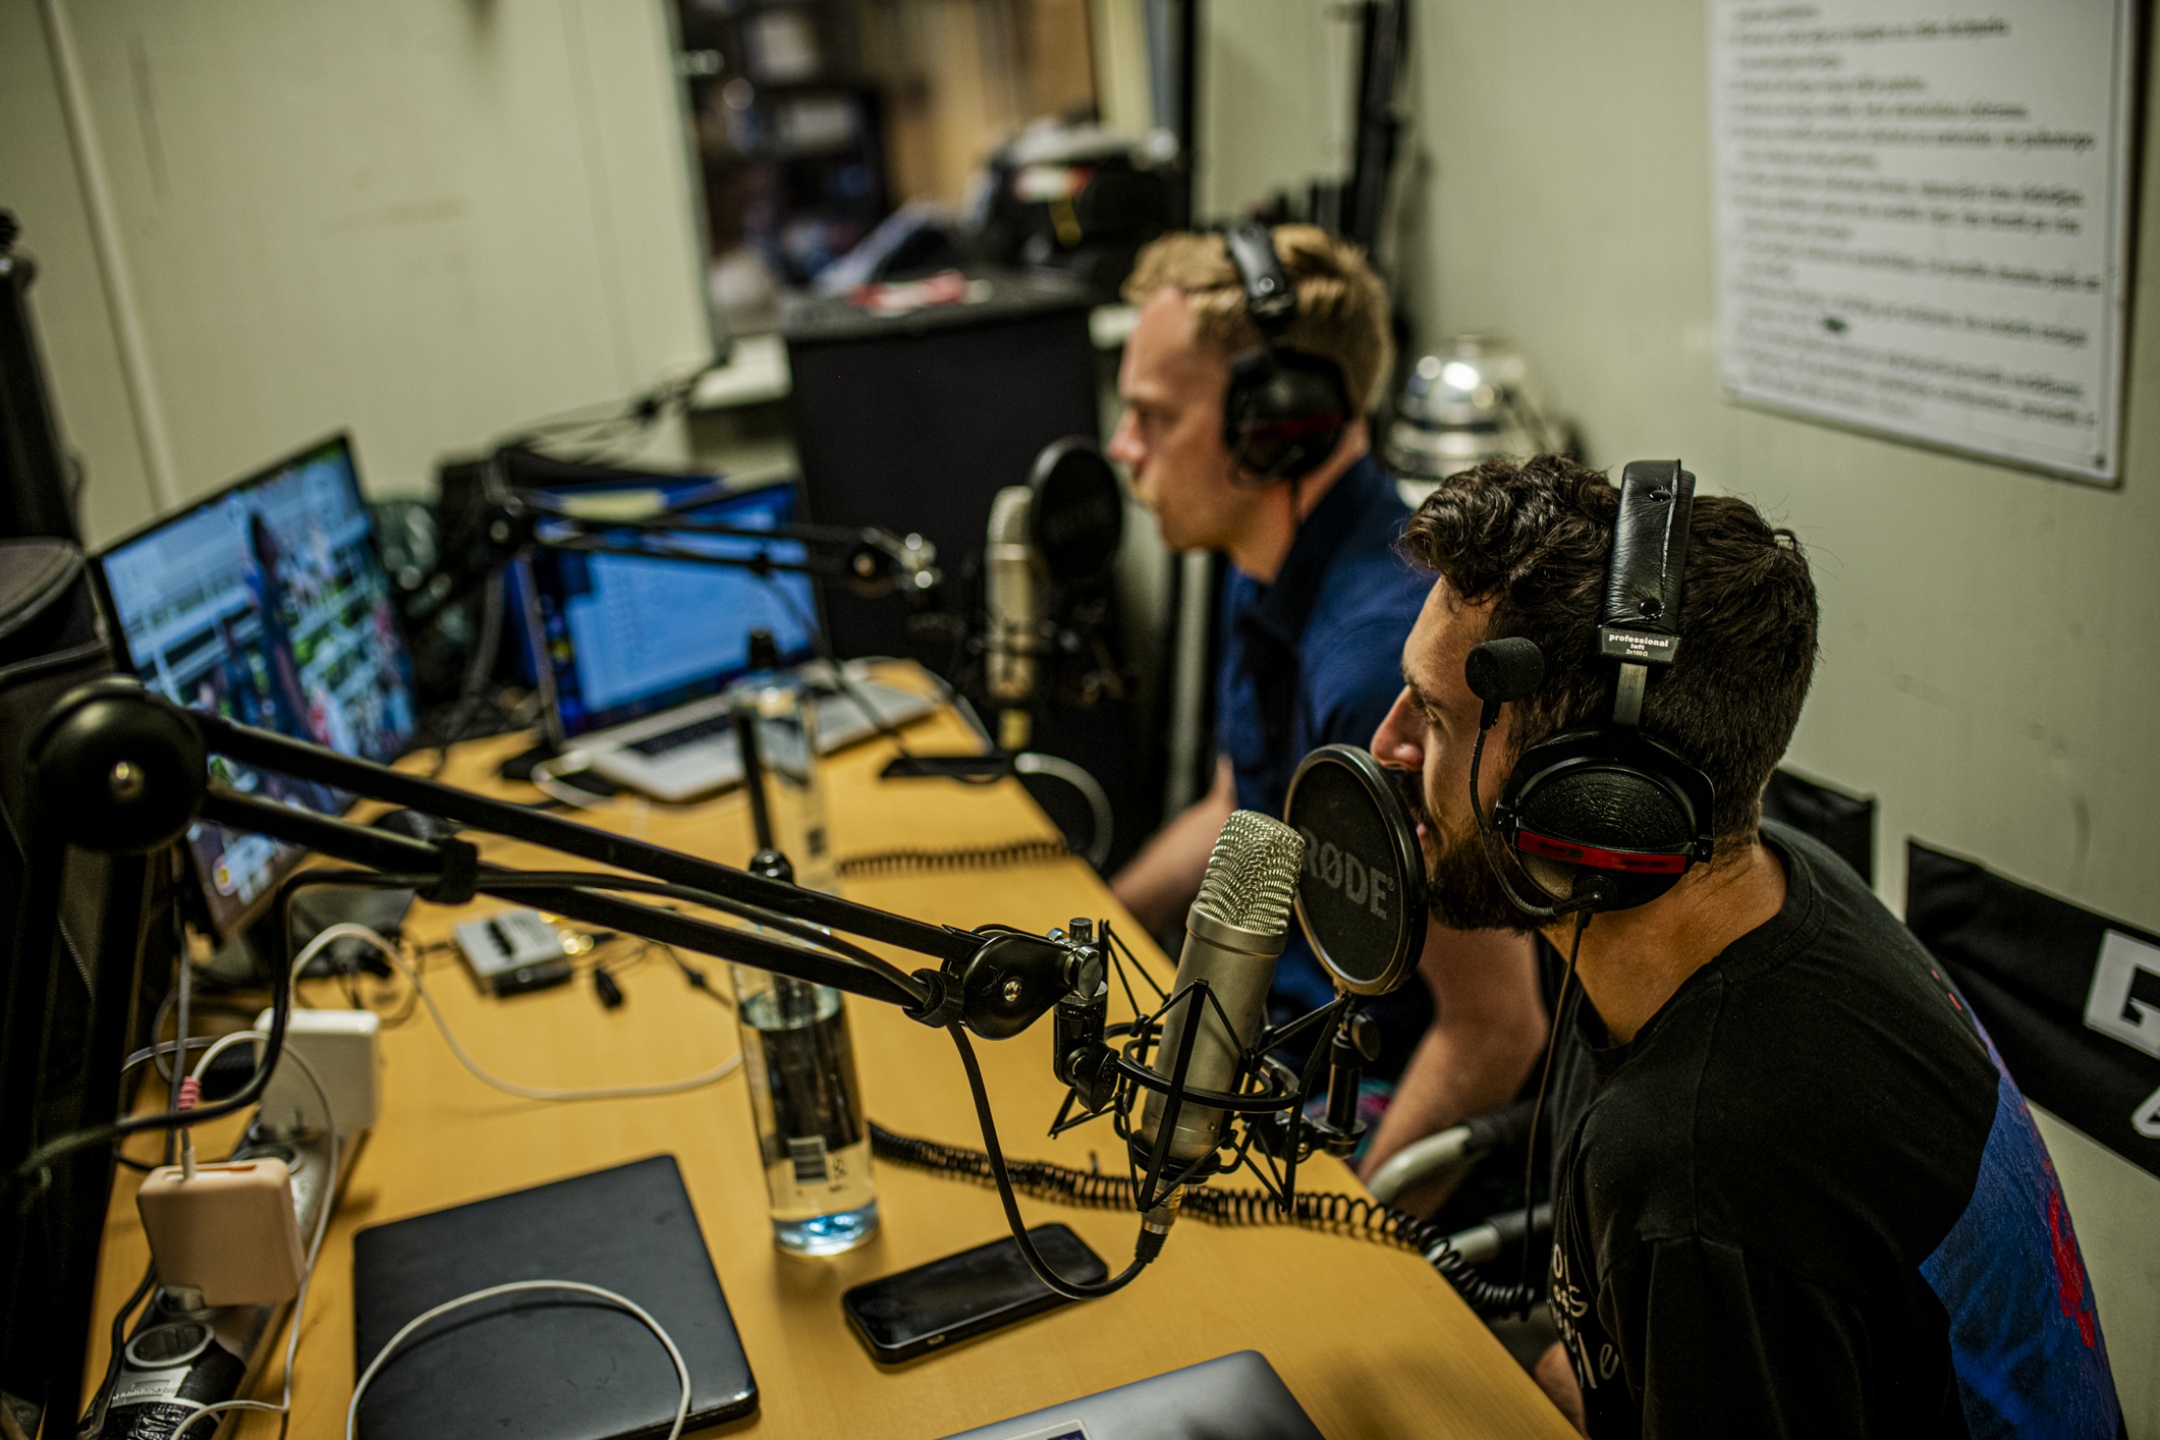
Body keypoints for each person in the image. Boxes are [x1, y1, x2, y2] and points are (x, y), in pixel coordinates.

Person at [1372, 453, 2121, 1437]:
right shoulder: (1782, 885)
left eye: (1433, 715)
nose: (1388, 745)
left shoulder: (1700, 1171)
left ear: (1593, 800)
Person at [1106, 225, 1544, 1177]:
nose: (1122, 447)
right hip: (1278, 1032)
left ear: (1276, 427)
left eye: (1152, 415)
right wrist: (1093, 924)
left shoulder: (1378, 671)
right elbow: (1242, 806)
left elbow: (1495, 1027)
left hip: (1365, 1092)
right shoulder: (1264, 563)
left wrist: (1357, 1234)